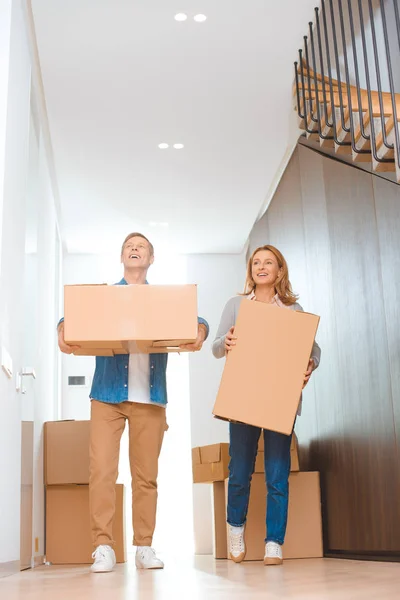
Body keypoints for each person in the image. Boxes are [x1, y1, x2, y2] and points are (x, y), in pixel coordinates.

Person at [58, 232, 209, 572]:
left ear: (151, 258)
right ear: (121, 257)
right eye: (129, 246)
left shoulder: (163, 298)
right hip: (107, 396)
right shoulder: (107, 296)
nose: (135, 249)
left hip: (150, 397)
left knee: (146, 476)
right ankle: (102, 547)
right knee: (102, 472)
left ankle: (144, 546)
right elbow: (71, 316)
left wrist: (199, 330)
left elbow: (197, 318)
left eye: (141, 246)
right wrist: (62, 329)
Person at [212, 244, 321, 566]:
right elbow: (217, 347)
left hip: (280, 401)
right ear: (251, 270)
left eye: (268, 262)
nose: (261, 267)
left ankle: (274, 541)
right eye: (256, 262)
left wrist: (310, 363)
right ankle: (236, 529)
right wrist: (226, 342)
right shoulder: (236, 305)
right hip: (243, 397)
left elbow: (312, 348)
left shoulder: (293, 309)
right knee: (240, 471)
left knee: (277, 474)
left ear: (279, 271)